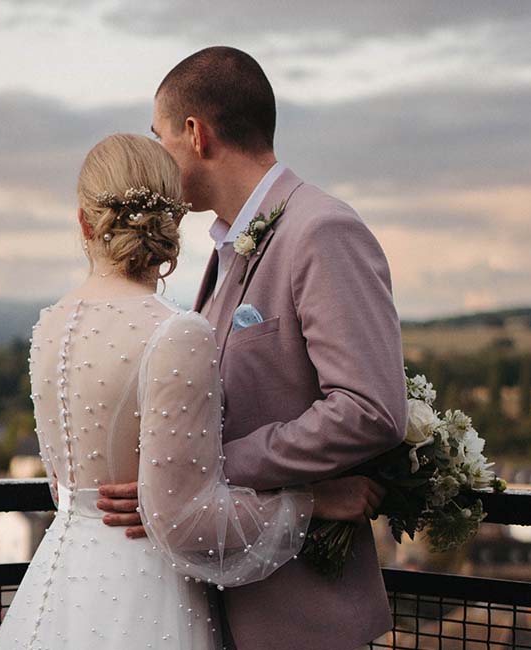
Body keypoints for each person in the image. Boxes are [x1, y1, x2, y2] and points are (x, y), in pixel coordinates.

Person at [0, 132, 383, 650]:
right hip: (146, 591)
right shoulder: (175, 331)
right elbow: (184, 518)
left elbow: (63, 489)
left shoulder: (47, 328)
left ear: (84, 223)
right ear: (172, 224)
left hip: (61, 580)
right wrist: (311, 504)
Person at [95, 46, 407, 650]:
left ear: (195, 134)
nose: (154, 157)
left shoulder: (321, 230)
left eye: (157, 137)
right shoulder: (224, 249)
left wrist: (207, 472)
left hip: (303, 616)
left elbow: (371, 409)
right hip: (223, 598)